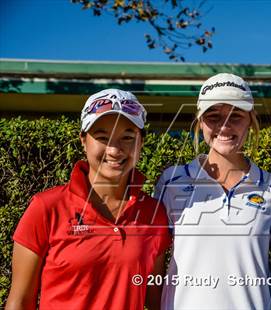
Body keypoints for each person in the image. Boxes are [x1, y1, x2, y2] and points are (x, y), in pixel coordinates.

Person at [6, 89, 171, 310]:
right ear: (83, 140)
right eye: (102, 137)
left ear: (141, 143)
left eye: (128, 137)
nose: (114, 150)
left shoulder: (154, 213)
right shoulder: (46, 207)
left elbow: (154, 301)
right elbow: (19, 301)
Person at [154, 73, 271, 310]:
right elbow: (153, 262)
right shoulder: (172, 181)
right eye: (213, 116)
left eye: (236, 116)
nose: (224, 126)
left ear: (251, 121)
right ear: (200, 122)